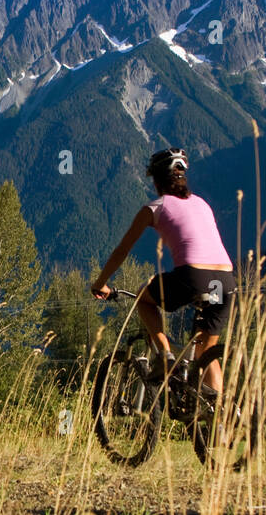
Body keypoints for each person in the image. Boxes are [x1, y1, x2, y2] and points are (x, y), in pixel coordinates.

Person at [89, 148, 234, 395]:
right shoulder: (202, 204)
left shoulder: (154, 208)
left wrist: (100, 283)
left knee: (142, 299)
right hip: (226, 280)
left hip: (193, 276)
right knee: (206, 354)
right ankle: (218, 418)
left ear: (156, 181)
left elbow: (121, 251)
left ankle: (165, 355)